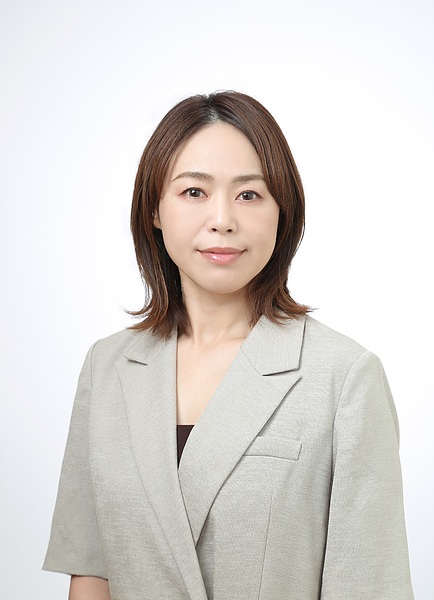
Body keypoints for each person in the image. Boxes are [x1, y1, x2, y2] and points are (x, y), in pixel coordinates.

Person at [43, 91, 414, 600]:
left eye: (249, 195)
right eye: (194, 191)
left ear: (283, 212)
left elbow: (368, 585)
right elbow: (91, 572)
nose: (222, 219)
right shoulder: (107, 367)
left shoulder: (344, 377)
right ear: (154, 209)